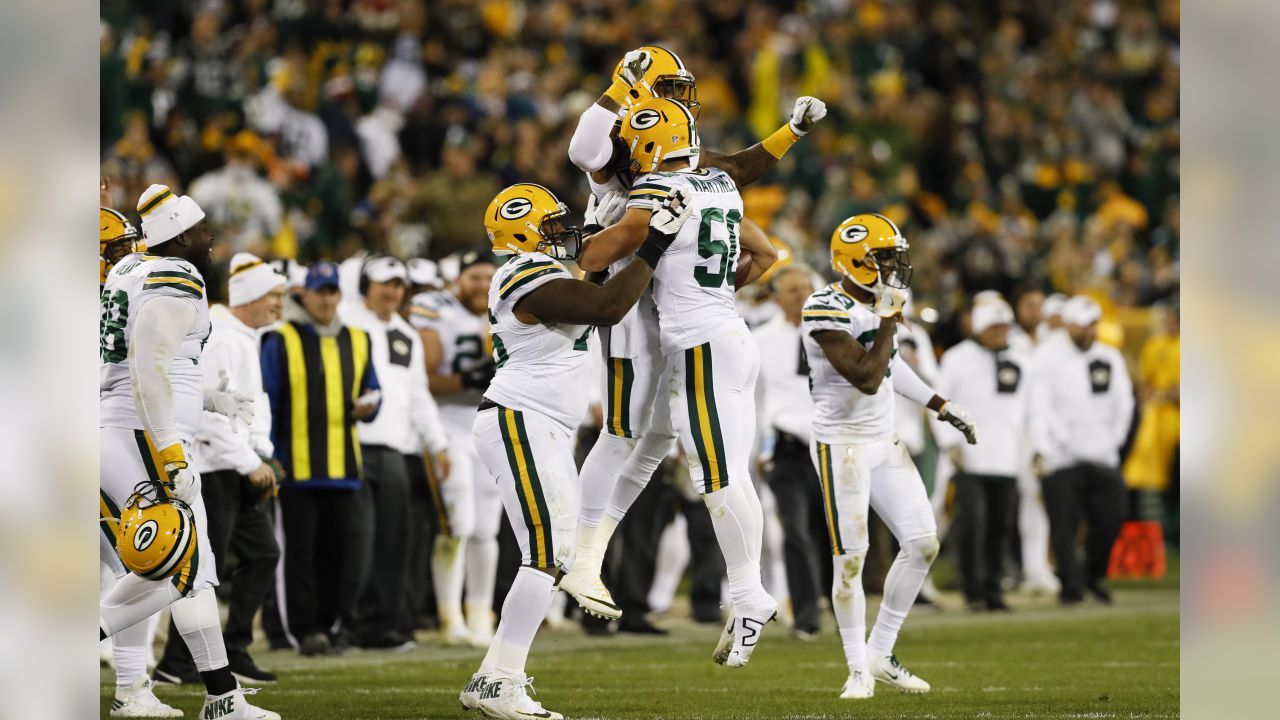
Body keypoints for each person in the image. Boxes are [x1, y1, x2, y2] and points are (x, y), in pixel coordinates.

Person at [561, 48, 824, 627]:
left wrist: (788, 133)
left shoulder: (673, 159)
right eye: (672, 86)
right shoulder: (631, 141)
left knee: (654, 441)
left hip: (672, 301)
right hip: (634, 293)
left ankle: (593, 550)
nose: (684, 96)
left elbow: (732, 168)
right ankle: (579, 554)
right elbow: (584, 152)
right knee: (624, 430)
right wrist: (616, 91)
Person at [457, 182, 693, 720]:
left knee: (553, 554)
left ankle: (491, 678)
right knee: (544, 554)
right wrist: (654, 242)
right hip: (520, 419)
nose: (564, 232)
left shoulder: (548, 273)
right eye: (552, 225)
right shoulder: (522, 273)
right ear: (522, 231)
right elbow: (609, 307)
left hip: (540, 425)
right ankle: (503, 680)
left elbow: (599, 287)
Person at [99, 184, 279, 719]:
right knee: (179, 563)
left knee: (190, 571)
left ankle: (221, 697)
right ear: (179, 237)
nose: (210, 239)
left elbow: (152, 363)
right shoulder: (175, 276)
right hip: (142, 434)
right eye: (201, 230)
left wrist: (208, 398)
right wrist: (172, 452)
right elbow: (146, 367)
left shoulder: (128, 272)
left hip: (125, 430)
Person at [801, 213, 978, 699]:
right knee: (851, 562)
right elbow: (866, 375)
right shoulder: (823, 306)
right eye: (883, 258)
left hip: (885, 440)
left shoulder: (880, 304)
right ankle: (857, 668)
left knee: (923, 543)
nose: (893, 268)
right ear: (854, 260)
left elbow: (893, 366)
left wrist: (941, 406)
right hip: (843, 448)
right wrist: (886, 318)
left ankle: (881, 652)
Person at [153, 253, 285, 686]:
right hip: (213, 469)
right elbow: (207, 411)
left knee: (263, 552)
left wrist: (260, 453)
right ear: (248, 296)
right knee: (201, 568)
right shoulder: (224, 338)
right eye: (274, 295)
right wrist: (250, 463)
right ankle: (179, 661)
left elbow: (249, 407)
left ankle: (232, 648)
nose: (280, 304)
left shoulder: (243, 335)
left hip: (235, 465)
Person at [261, 262, 381, 656]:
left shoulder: (359, 339)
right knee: (298, 555)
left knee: (339, 555)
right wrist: (269, 458)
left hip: (344, 467)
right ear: (305, 295)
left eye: (332, 291)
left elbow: (373, 392)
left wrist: (369, 407)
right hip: (295, 468)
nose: (326, 299)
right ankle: (303, 629)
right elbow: (268, 404)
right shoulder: (281, 340)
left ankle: (331, 625)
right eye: (319, 291)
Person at [341, 255, 450, 649]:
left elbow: (418, 393)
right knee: (356, 541)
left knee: (392, 542)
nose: (392, 291)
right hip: (350, 443)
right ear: (366, 284)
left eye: (398, 285)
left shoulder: (405, 332)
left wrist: (437, 443)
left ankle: (383, 626)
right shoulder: (345, 322)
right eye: (384, 283)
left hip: (395, 449)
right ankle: (347, 623)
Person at [408, 250, 502, 647]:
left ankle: (480, 613)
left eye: (488, 277)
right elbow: (426, 379)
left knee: (486, 529)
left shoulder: (506, 303)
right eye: (474, 277)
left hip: (486, 424)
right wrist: (468, 377)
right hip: (447, 423)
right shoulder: (434, 308)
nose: (482, 285)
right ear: (458, 279)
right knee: (458, 522)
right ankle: (450, 616)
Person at [1029, 295, 1134, 604]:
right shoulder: (1046, 356)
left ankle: (1093, 574)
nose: (1090, 332)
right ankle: (1070, 586)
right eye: (1084, 326)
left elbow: (1124, 402)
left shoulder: (1110, 356)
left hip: (1102, 454)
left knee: (1111, 517)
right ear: (1069, 324)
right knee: (1063, 524)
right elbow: (1038, 405)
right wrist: (1045, 445)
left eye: (1093, 325)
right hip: (1061, 457)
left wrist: (1113, 439)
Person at [934, 296, 1029, 611]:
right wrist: (950, 444)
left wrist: (1028, 448)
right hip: (970, 458)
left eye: (1005, 327)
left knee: (1001, 526)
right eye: (995, 327)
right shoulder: (957, 359)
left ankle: (994, 589)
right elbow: (940, 403)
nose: (1001, 333)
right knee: (973, 524)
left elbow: (1028, 409)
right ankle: (973, 588)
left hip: (1006, 457)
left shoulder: (1020, 359)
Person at [752, 264, 828, 639]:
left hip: (831, 444)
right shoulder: (760, 340)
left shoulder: (832, 331)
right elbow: (755, 399)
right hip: (787, 447)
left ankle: (839, 605)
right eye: (793, 290)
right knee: (795, 532)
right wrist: (760, 447)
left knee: (835, 532)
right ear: (777, 297)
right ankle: (808, 616)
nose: (801, 295)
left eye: (805, 288)